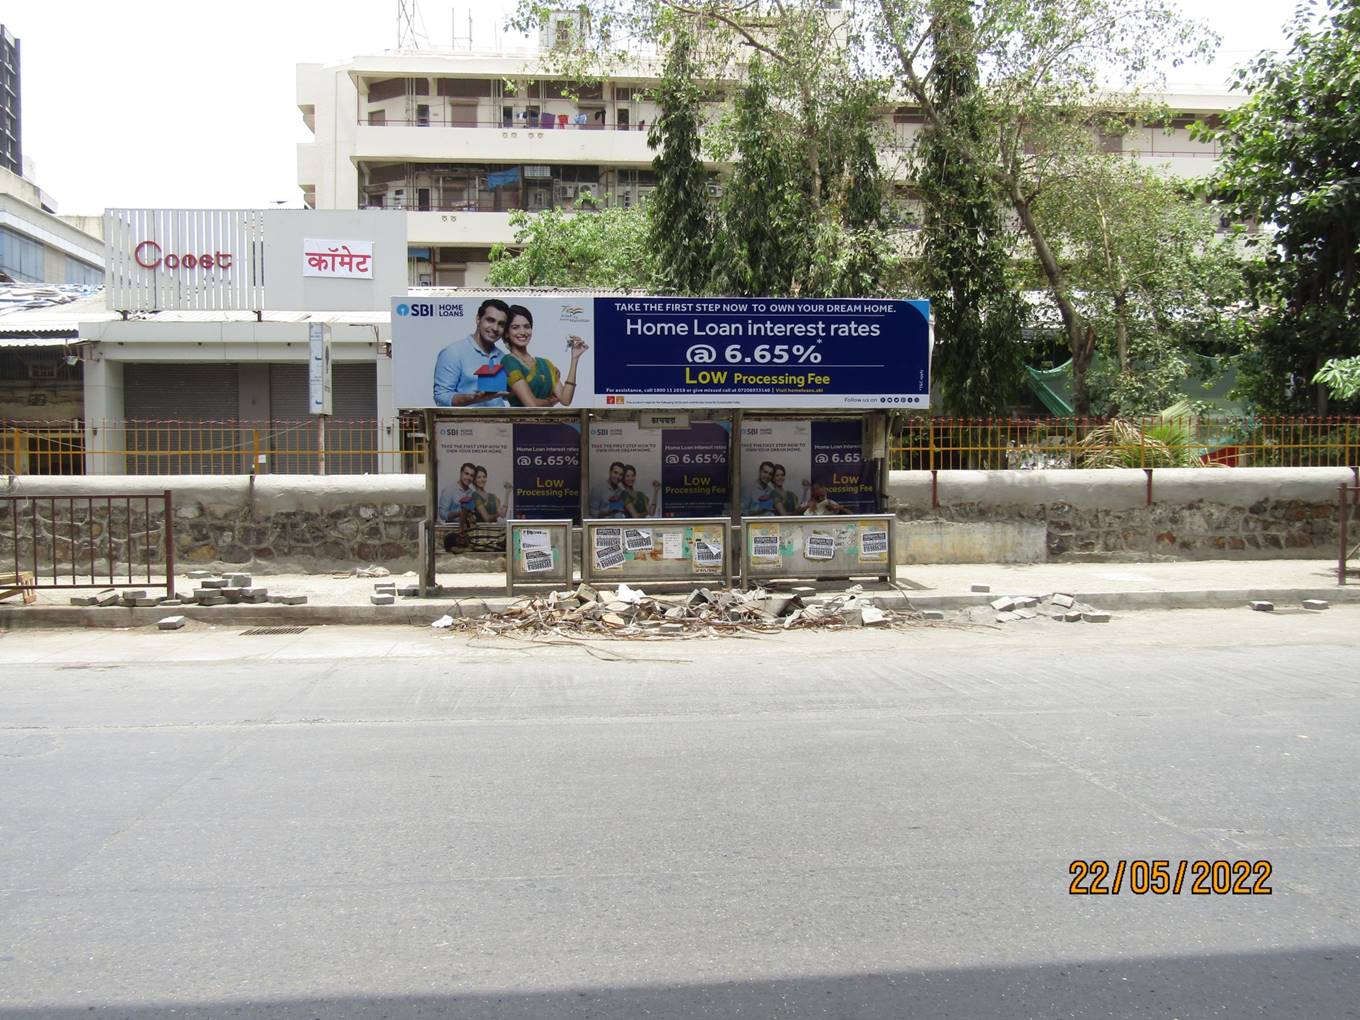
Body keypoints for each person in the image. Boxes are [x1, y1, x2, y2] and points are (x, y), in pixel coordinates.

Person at [500, 305, 589, 407]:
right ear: (506, 333)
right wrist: (551, 402)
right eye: (515, 327)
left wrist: (575, 358)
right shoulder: (508, 361)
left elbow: (565, 399)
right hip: (522, 422)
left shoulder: (545, 364)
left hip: (550, 421)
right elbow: (532, 405)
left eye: (527, 326)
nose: (523, 332)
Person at [432, 298, 511, 407]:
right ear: (478, 319)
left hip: (500, 422)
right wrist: (473, 398)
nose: (495, 328)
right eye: (490, 320)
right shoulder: (453, 352)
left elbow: (506, 394)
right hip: (464, 423)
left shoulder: (504, 358)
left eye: (501, 324)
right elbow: (441, 397)